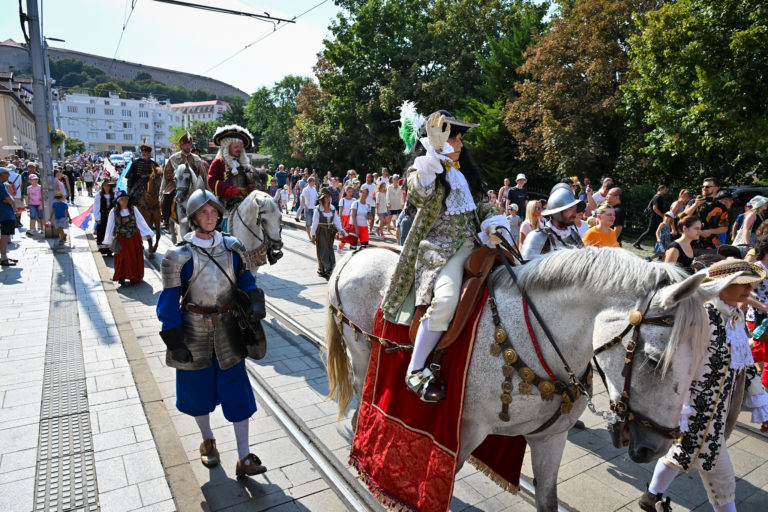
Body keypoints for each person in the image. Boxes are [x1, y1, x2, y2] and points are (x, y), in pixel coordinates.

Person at [381, 110, 505, 402]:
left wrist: (494, 223)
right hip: (440, 250)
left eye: (460, 138)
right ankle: (415, 370)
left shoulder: (465, 172)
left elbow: (483, 204)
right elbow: (419, 195)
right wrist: (432, 155)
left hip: (476, 245)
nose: (460, 144)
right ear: (437, 140)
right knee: (447, 301)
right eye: (454, 138)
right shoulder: (424, 171)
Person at [639, 258, 768, 512]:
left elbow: (744, 366)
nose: (749, 289)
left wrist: (761, 405)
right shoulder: (702, 316)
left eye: (750, 284)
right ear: (721, 284)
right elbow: (677, 366)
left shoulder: (735, 315)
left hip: (717, 413)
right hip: (694, 414)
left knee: (681, 453)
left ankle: (650, 497)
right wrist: (680, 411)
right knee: (722, 477)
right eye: (742, 283)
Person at [156, 189, 267, 478]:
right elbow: (168, 301)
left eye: (214, 211)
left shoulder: (233, 247)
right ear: (193, 217)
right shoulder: (177, 256)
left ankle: (244, 456)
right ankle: (207, 440)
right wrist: (174, 339)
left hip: (229, 330)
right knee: (197, 394)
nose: (210, 216)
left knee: (239, 395)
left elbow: (246, 279)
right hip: (193, 331)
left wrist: (255, 300)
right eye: (203, 212)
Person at [520, 183, 586, 260]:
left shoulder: (574, 235)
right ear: (556, 213)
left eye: (575, 209)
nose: (575, 213)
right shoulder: (538, 236)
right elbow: (527, 266)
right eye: (570, 208)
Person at [103, 190, 154, 286]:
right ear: (118, 201)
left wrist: (147, 233)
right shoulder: (113, 211)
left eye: (126, 199)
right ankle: (121, 277)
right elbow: (110, 226)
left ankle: (133, 277)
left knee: (133, 258)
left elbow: (140, 221)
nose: (125, 201)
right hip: (121, 239)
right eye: (122, 199)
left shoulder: (133, 209)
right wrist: (107, 240)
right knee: (121, 259)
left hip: (134, 238)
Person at [161, 132, 207, 229]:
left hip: (193, 184)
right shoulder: (173, 158)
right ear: (181, 146)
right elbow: (167, 173)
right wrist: (177, 176)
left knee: (207, 198)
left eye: (189, 145)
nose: (188, 147)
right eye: (185, 145)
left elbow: (202, 173)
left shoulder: (196, 159)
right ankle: (166, 220)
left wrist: (196, 179)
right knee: (166, 196)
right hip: (176, 184)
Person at [681, 177, 729, 254]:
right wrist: (695, 205)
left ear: (716, 188)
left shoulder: (721, 207)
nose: (704, 188)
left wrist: (710, 231)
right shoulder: (693, 202)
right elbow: (682, 218)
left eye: (707, 187)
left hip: (710, 245)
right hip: (690, 244)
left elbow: (724, 228)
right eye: (702, 186)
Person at [311, 188, 347, 279]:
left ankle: (330, 268)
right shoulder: (317, 210)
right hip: (321, 231)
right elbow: (314, 223)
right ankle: (327, 269)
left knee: (330, 249)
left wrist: (341, 230)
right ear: (322, 198)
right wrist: (313, 235)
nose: (327, 198)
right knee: (323, 250)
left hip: (330, 232)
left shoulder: (332, 208)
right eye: (325, 197)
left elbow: (336, 221)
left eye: (328, 197)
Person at [633, 184, 668, 249]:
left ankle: (661, 248)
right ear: (661, 189)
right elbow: (655, 208)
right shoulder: (658, 197)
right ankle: (637, 243)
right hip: (655, 217)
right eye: (665, 189)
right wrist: (663, 216)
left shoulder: (657, 196)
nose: (666, 191)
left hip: (656, 217)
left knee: (658, 232)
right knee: (650, 231)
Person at [0, 168, 18, 266]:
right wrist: (10, 199)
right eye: (7, 174)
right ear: (1, 175)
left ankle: (4, 256)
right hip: (5, 214)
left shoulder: (3, 185)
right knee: (5, 236)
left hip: (4, 214)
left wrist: (9, 199)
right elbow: (11, 200)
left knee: (5, 236)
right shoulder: (1, 186)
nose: (9, 176)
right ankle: (3, 258)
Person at [94, 179, 117, 255]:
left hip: (111, 216)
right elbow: (96, 207)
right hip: (103, 216)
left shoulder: (114, 195)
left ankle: (110, 250)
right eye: (105, 185)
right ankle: (103, 250)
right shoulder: (99, 195)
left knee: (110, 232)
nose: (107, 187)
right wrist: (97, 218)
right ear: (103, 186)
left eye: (108, 186)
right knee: (102, 232)